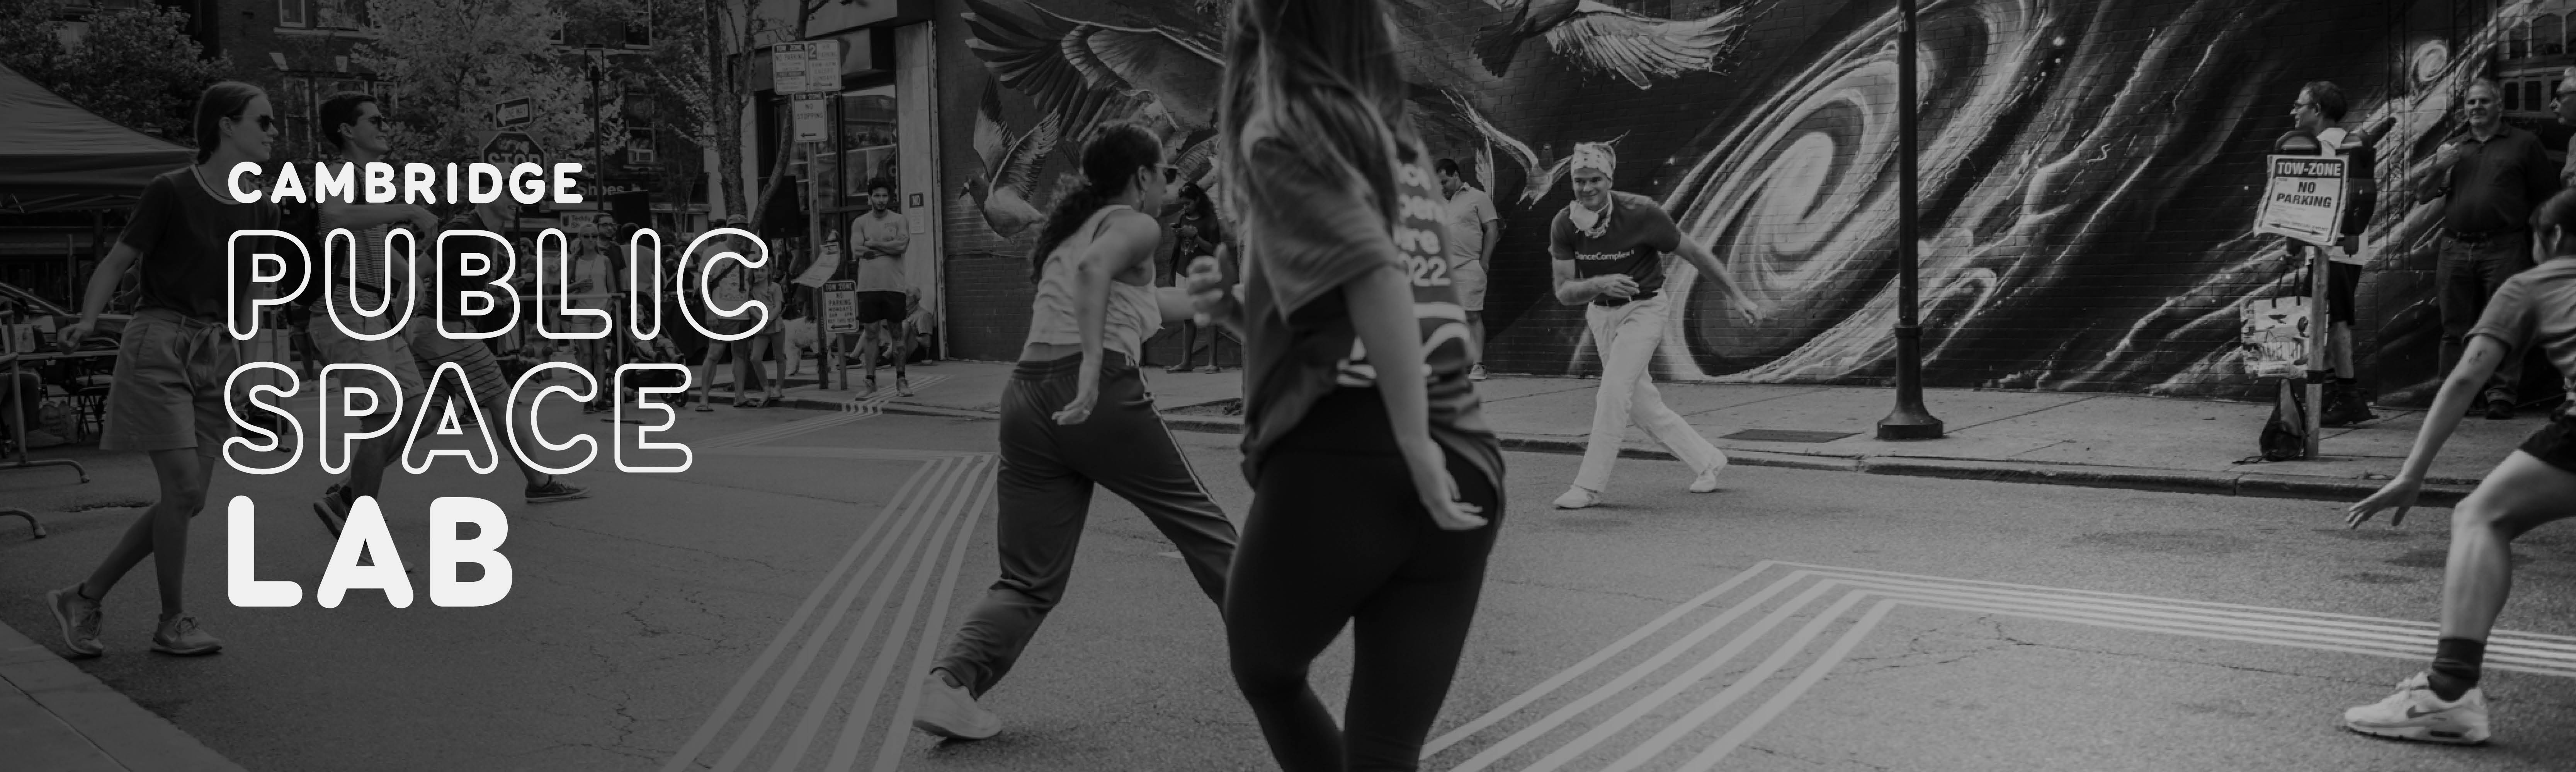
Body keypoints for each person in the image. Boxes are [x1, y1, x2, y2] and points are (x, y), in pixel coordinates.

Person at [1188, 2, 1506, 767]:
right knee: (1386, 749)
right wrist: (1237, 312)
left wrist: (1405, 440)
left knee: (1264, 665)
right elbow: (1368, 306)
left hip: (1347, 456)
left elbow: (1374, 274)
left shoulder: (1285, 127)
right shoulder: (1393, 142)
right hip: (1465, 449)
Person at [912, 122, 1239, 741]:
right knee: (1204, 529)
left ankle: (951, 684)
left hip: (1026, 397)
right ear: (1140, 177)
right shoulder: (1133, 225)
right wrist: (1092, 367)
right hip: (1092, 391)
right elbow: (1096, 274)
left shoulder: (1072, 230)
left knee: (1027, 578)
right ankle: (1272, 649)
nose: (1170, 184)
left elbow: (1159, 304)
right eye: (1164, 173)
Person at [45, 82, 279, 658]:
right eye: (264, 121)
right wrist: (88, 318)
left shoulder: (260, 205)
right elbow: (118, 259)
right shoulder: (170, 190)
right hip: (161, 340)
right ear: (226, 125)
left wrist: (248, 369)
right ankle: (172, 620)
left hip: (217, 349)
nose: (274, 132)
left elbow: (249, 293)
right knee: (180, 488)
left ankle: (83, 596)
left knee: (191, 498)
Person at [2340, 188, 2576, 746]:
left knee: (2480, 516)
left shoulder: (2533, 282)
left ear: (2554, 239)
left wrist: (2410, 472)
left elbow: (2466, 377)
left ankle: (2447, 694)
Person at [305, 91, 586, 543]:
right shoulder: (340, 175)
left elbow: (388, 255)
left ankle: (347, 496)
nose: (384, 126)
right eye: (374, 120)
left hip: (384, 317)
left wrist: (414, 280)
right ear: (346, 130)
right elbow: (335, 217)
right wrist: (410, 211)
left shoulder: (370, 180)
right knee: (386, 418)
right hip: (355, 310)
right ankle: (359, 526)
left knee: (421, 414)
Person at [1545, 141, 1764, 510]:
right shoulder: (1565, 224)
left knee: (1613, 391)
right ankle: (1707, 461)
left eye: (1595, 179)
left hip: (1644, 309)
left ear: (1609, 179)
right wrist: (1599, 283)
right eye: (1579, 181)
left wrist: (1737, 296)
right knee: (1641, 405)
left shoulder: (1642, 212)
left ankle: (1588, 486)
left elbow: (1693, 252)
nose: (1586, 188)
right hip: (1600, 313)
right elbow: (1565, 291)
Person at [2415, 78, 2559, 420]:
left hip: (2504, 245)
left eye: (2483, 102)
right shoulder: (2453, 149)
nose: (2475, 108)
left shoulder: (2524, 144)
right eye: (2470, 103)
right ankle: (2455, 395)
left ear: (2499, 107)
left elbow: (2546, 197)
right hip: (2455, 246)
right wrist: (2439, 165)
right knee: (2454, 328)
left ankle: (2501, 394)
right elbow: (2422, 196)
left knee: (2504, 324)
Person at [2285, 81, 2374, 426]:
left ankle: (2348, 397)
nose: (2294, 112)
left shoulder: (2320, 148)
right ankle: (2331, 394)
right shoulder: (2350, 143)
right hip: (2342, 247)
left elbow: (2311, 201)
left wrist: (2293, 241)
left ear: (2317, 110)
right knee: (2327, 321)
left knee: (2334, 323)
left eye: (2299, 105)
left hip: (2331, 249)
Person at [1437, 157, 1501, 381]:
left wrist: (1484, 261)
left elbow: (1492, 229)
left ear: (1456, 175)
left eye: (1444, 182)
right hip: (1442, 269)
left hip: (1469, 265)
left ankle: (1478, 365)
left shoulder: (1478, 197)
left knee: (1472, 315)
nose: (1441, 187)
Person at [849, 181, 911, 396]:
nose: (881, 200)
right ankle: (870, 382)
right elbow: (857, 250)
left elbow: (902, 246)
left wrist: (873, 244)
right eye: (877, 196)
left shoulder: (899, 220)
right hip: (868, 288)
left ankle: (902, 381)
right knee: (871, 334)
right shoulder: (860, 222)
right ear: (870, 197)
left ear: (890, 198)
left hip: (894, 286)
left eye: (885, 196)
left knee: (897, 334)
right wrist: (888, 248)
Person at [1161, 182, 1229, 373]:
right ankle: (1186, 362)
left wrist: (1196, 237)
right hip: (1183, 271)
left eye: (1188, 203)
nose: (1185, 207)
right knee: (1187, 317)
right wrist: (1179, 237)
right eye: (1182, 204)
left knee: (1208, 316)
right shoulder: (1183, 218)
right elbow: (1179, 248)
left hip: (1204, 273)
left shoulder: (1210, 221)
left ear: (1198, 200)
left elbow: (1216, 250)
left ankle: (1213, 363)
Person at [692, 230, 763, 411]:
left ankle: (740, 396)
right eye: (735, 231)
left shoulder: (747, 254)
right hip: (721, 312)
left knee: (740, 354)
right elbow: (703, 284)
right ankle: (704, 399)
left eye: (743, 232)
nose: (739, 237)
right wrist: (709, 311)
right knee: (714, 354)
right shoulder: (713, 252)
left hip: (744, 313)